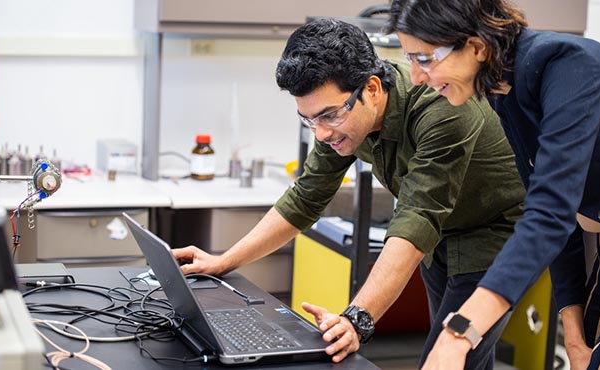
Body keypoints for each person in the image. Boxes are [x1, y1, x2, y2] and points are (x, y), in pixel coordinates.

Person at [172, 18, 525, 368]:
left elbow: (417, 217)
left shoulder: (442, 109)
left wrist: (358, 318)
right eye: (309, 119)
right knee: (471, 361)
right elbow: (306, 197)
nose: (321, 133)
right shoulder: (340, 119)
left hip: (494, 235)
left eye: (328, 115)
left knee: (449, 357)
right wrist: (224, 260)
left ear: (371, 89)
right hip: (442, 234)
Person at [388, 0, 600, 369]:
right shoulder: (506, 94)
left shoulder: (568, 65)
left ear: (475, 46)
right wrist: (575, 333)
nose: (417, 76)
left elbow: (549, 216)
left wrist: (459, 333)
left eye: (423, 59)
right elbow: (554, 210)